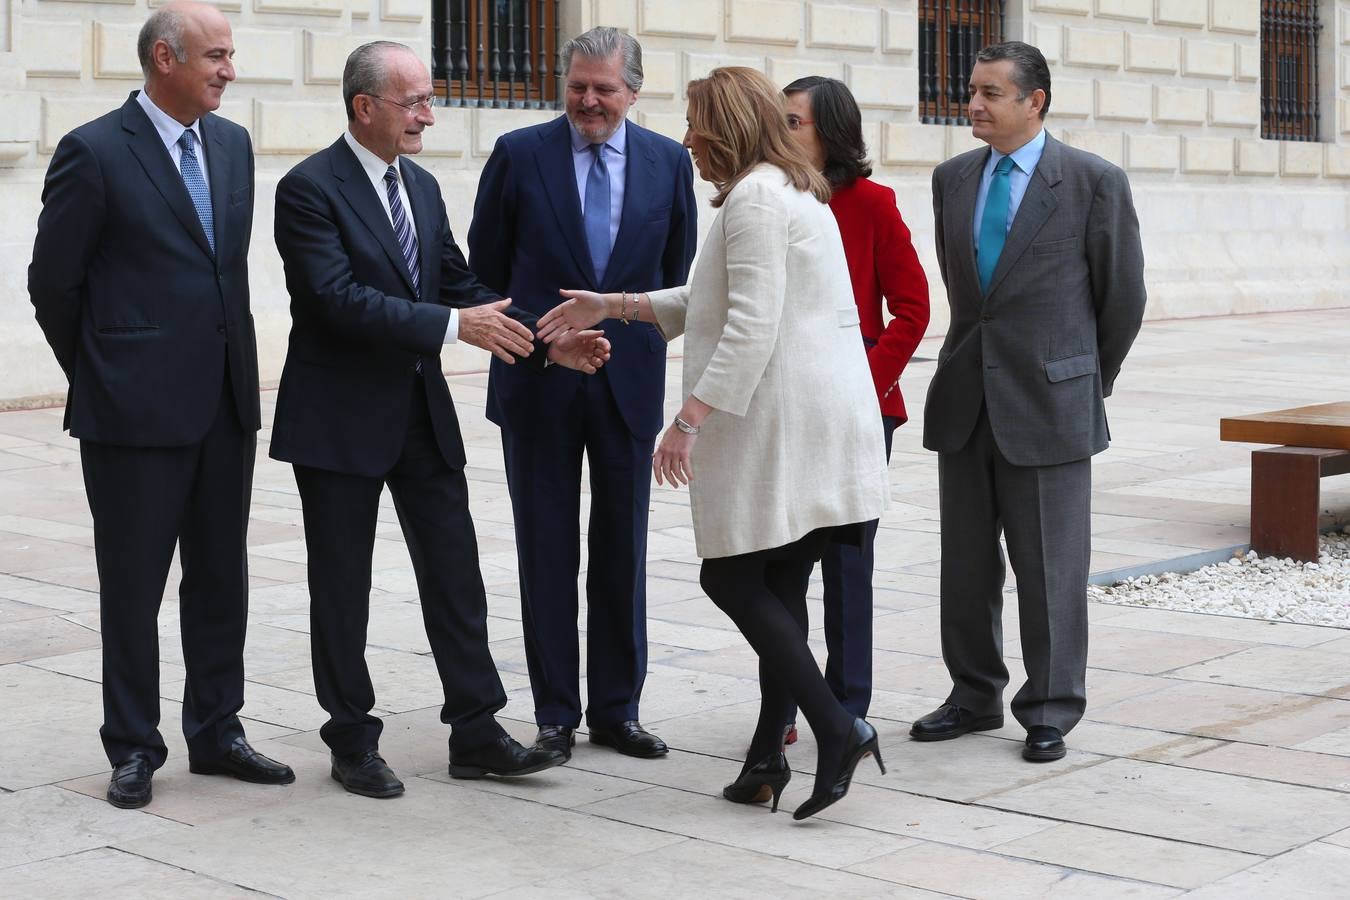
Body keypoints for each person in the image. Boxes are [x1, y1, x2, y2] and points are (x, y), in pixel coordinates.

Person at [538, 67, 890, 822]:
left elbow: (750, 322)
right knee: (781, 588)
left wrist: (687, 419)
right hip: (815, 418)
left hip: (786, 425)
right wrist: (615, 305)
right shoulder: (787, 188)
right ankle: (767, 758)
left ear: (728, 127)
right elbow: (711, 298)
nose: (688, 139)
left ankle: (836, 728)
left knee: (730, 580)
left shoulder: (759, 197)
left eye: (697, 124)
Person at [269, 41, 610, 798]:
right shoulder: (307, 189)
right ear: (365, 107)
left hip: (420, 413)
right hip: (339, 420)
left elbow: (460, 284)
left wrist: (548, 342)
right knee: (342, 586)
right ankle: (352, 740)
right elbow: (335, 301)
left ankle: (478, 730)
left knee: (456, 574)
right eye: (415, 101)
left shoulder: (419, 186)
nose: (429, 114)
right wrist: (453, 328)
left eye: (430, 98)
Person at [27, 1, 294, 809]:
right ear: (165, 58)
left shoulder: (234, 145)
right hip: (132, 412)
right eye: (214, 55)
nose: (229, 69)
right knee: (134, 584)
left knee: (221, 578)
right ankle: (135, 745)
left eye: (231, 54)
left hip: (224, 401)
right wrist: (104, 368)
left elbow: (224, 272)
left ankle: (217, 731)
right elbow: (53, 283)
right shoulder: (96, 151)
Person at [911, 41, 1146, 761]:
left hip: (1049, 404)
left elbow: (1123, 298)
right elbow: (966, 294)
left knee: (1049, 569)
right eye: (971, 91)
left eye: (989, 93)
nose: (972, 105)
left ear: (1034, 101)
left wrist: (1080, 381)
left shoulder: (1091, 181)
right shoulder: (952, 178)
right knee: (967, 568)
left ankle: (1050, 707)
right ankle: (973, 695)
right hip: (965, 399)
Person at [467, 27, 697, 761]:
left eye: (603, 88)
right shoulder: (519, 155)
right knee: (545, 549)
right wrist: (545, 340)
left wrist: (624, 331)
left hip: (628, 382)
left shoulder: (667, 162)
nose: (588, 101)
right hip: (538, 384)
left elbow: (675, 275)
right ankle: (556, 714)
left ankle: (617, 710)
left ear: (633, 91)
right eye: (577, 86)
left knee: (623, 551)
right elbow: (485, 276)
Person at [781, 75, 929, 728]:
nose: (781, 132)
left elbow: (914, 306)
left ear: (829, 132)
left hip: (860, 410)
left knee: (845, 564)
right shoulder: (769, 198)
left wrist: (864, 384)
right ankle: (780, 704)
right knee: (777, 566)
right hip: (783, 405)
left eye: (794, 122)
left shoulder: (871, 202)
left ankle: (846, 710)